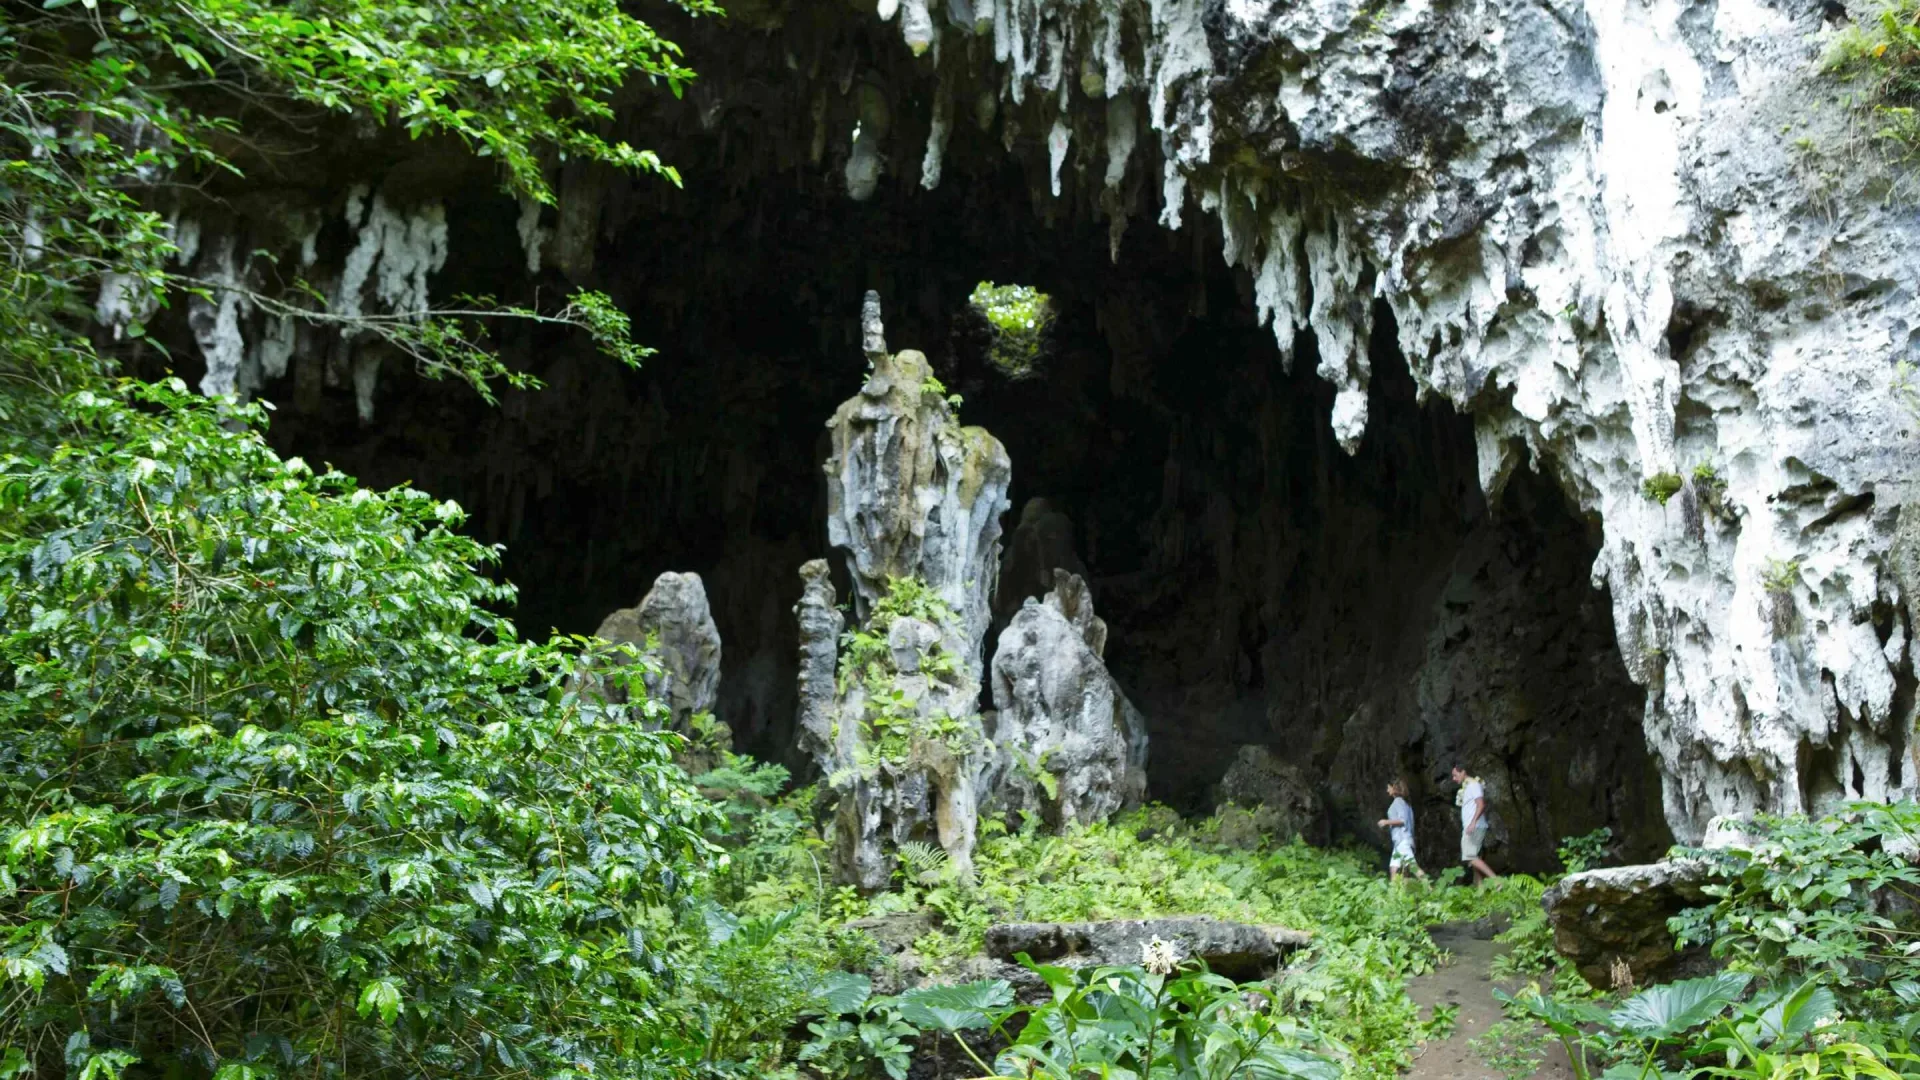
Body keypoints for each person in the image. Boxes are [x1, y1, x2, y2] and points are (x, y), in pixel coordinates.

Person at [1452, 765, 1500, 884]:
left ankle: (1497, 881)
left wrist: (1473, 823)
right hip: (1470, 826)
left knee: (1470, 857)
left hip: (1475, 826)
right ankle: (1479, 888)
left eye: (1455, 775)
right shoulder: (1468, 786)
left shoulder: (1474, 785)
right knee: (1473, 858)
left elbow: (1481, 804)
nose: (1453, 778)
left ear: (1463, 772)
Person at [1377, 779, 1424, 882]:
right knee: (1394, 869)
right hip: (1400, 842)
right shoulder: (1406, 804)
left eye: (1388, 787)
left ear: (1394, 787)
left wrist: (1386, 822)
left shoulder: (1398, 802)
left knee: (1413, 867)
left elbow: (1403, 821)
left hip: (1402, 840)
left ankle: (1430, 889)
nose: (1387, 790)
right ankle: (1396, 895)